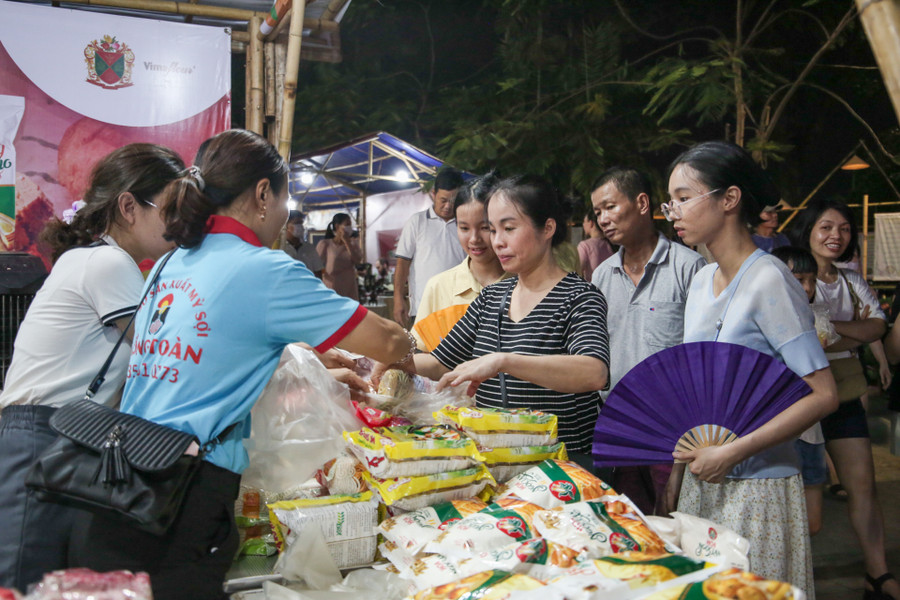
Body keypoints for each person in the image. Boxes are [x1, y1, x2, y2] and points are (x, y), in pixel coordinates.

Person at [76, 129, 414, 600]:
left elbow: (216, 355)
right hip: (185, 489)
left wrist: (309, 357)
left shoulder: (170, 263)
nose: (284, 213)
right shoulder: (265, 269)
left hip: (123, 471)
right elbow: (388, 341)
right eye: (285, 200)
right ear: (262, 194)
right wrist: (408, 346)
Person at [0, 144, 185, 590]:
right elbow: (166, 352)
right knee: (23, 579)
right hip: (42, 436)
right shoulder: (108, 262)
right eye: (172, 209)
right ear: (129, 207)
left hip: (52, 434)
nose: (181, 223)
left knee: (48, 583)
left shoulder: (91, 258)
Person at [662, 141, 838, 596]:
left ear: (729, 199)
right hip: (702, 479)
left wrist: (734, 453)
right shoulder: (701, 281)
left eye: (683, 198)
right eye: (670, 202)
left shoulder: (769, 279)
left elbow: (823, 394)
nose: (673, 212)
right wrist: (677, 475)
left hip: (759, 486)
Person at [402, 174, 610, 467]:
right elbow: (439, 362)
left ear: (547, 228)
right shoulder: (492, 297)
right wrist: (389, 359)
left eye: (509, 228)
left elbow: (594, 372)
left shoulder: (579, 297)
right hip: (498, 468)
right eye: (493, 229)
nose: (497, 242)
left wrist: (503, 361)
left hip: (561, 470)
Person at [789, 198, 899, 600]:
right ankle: (789, 578)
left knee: (862, 486)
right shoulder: (788, 273)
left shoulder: (850, 280)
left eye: (845, 228)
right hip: (798, 395)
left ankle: (877, 574)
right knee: (798, 497)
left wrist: (828, 329)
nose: (836, 235)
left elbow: (877, 328)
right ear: (808, 231)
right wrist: (851, 332)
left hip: (845, 393)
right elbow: (798, 332)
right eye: (826, 227)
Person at [590, 166, 706, 515]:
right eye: (597, 212)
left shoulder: (689, 267)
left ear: (641, 203)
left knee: (673, 517)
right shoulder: (601, 276)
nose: (603, 219)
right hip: (618, 422)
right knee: (628, 521)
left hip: (673, 427)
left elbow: (701, 356)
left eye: (610, 207)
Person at [412, 173, 509, 352]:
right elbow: (420, 351)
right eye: (464, 228)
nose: (474, 239)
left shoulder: (525, 284)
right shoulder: (438, 286)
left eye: (485, 227)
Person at [771, 245, 828, 537]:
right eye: (799, 279)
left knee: (811, 524)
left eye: (811, 280)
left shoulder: (815, 318)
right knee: (782, 525)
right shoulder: (766, 318)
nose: (806, 288)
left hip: (810, 431)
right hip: (777, 435)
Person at [393, 168, 466, 326]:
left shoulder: (465, 224)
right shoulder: (417, 222)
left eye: (453, 201)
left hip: (459, 309)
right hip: (423, 310)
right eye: (443, 200)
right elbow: (402, 264)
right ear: (433, 194)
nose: (448, 206)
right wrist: (398, 299)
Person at [317, 212, 363, 300]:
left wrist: (347, 242)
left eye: (350, 225)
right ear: (337, 226)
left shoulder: (353, 244)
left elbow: (357, 260)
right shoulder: (326, 244)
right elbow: (315, 265)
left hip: (349, 288)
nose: (349, 227)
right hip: (332, 286)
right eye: (347, 224)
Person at [283, 210, 323, 277]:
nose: (300, 226)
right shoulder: (281, 248)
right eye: (296, 223)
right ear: (286, 226)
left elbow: (318, 272)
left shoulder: (309, 248)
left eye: (301, 223)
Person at [577, 210, 614, 280]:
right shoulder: (613, 244)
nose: (583, 224)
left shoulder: (585, 246)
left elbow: (577, 270)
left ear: (591, 223)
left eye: (584, 222)